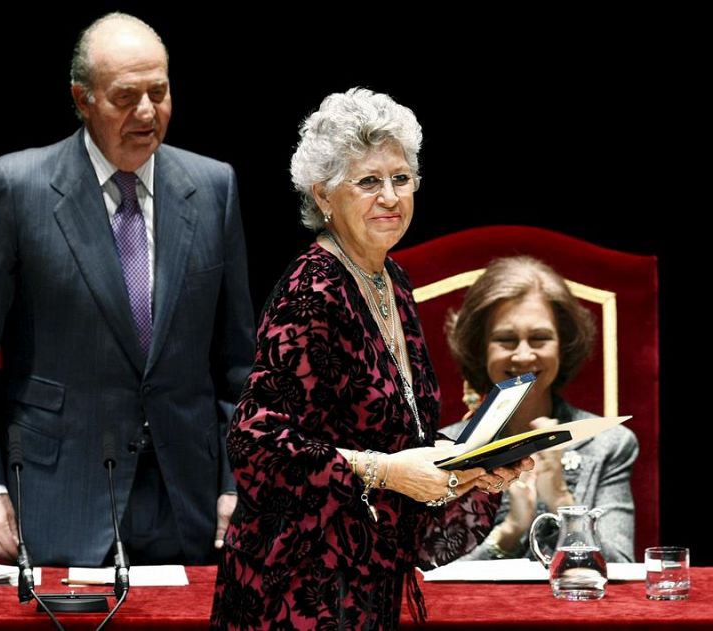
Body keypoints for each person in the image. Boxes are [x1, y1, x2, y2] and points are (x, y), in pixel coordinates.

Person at [0, 12, 255, 567]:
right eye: (125, 97)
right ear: (81, 100)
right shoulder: (18, 189)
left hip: (191, 499)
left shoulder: (213, 188)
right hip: (59, 492)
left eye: (159, 92)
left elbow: (239, 365)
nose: (147, 113)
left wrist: (238, 479)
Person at [210, 88, 532, 629]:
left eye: (401, 179)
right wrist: (386, 472)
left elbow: (399, 439)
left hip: (362, 586)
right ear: (324, 196)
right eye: (368, 182)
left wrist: (474, 467)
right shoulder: (313, 289)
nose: (390, 196)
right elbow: (256, 443)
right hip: (297, 594)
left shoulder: (391, 280)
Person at [442, 256, 639, 562]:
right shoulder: (442, 448)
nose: (523, 356)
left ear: (563, 346)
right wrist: (510, 532)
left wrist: (561, 498)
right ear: (480, 348)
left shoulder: (611, 444)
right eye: (506, 340)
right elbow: (426, 581)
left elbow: (621, 567)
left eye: (540, 338)